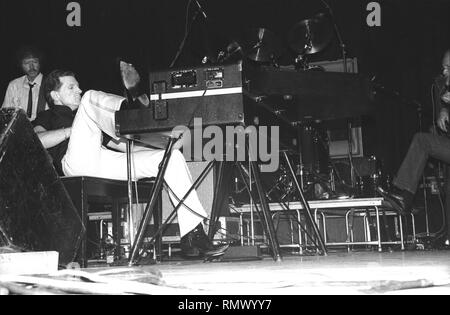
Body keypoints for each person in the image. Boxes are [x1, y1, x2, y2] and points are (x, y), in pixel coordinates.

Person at [32, 67, 229, 259]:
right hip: (73, 163)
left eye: (77, 86)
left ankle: (193, 234)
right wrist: (71, 131)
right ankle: (130, 109)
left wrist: (165, 149)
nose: (78, 90)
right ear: (55, 96)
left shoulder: (92, 116)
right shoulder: (47, 116)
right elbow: (37, 140)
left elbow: (125, 148)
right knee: (90, 97)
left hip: (101, 159)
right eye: (71, 87)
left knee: (170, 159)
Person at [377, 49, 450, 243]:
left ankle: (402, 195)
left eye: (447, 68)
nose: (443, 72)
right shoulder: (443, 87)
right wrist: (443, 110)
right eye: (443, 68)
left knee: (422, 141)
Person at [2, 46, 47, 120]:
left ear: (40, 63)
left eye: (35, 62)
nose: (31, 67)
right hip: (19, 129)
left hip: (45, 130)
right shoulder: (14, 85)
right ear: (20, 65)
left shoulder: (50, 83)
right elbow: (5, 114)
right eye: (26, 63)